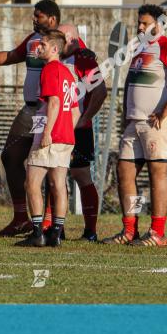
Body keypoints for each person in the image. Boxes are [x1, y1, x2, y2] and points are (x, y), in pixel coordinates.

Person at [104, 4, 167, 247]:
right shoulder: (139, 48)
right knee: (125, 172)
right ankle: (130, 229)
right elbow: (131, 81)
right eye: (138, 22)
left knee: (157, 172)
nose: (139, 27)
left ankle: (157, 233)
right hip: (135, 121)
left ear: (159, 25)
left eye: (144, 23)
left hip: (158, 122)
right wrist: (128, 112)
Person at [0, 0, 62, 236]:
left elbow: (82, 65)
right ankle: (21, 218)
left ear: (53, 19)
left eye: (38, 16)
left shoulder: (62, 40)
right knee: (10, 156)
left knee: (46, 164)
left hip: (48, 110)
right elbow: (10, 56)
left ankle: (49, 221)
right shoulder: (33, 40)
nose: (34, 19)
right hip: (29, 110)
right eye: (34, 15)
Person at [16, 30, 79, 247]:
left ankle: (37, 233)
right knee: (58, 184)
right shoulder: (69, 75)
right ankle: (56, 234)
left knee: (32, 183)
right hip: (66, 136)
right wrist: (66, 133)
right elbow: (75, 111)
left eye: (42, 44)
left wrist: (47, 132)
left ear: (54, 49)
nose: (38, 47)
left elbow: (54, 103)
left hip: (50, 133)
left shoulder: (50, 69)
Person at [47, 24, 106, 242]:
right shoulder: (55, 58)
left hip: (78, 129)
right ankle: (55, 228)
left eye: (61, 37)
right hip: (55, 127)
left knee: (81, 176)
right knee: (52, 176)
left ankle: (90, 230)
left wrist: (85, 118)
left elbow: (100, 91)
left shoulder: (84, 60)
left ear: (72, 40)